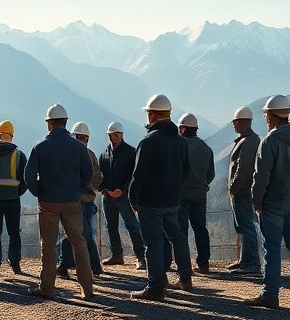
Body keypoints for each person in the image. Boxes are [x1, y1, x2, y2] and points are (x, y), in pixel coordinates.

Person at [243, 94, 290, 310]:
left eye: (266, 116)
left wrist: (256, 202)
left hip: (272, 203)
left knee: (273, 249)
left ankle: (270, 295)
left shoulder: (270, 141)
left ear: (271, 117)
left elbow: (261, 177)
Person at [24, 104, 95, 300]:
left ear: (49, 124)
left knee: (48, 244)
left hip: (47, 201)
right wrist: (75, 188)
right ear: (66, 122)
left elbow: (29, 176)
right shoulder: (78, 148)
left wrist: (40, 191)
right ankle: (87, 289)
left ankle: (47, 287)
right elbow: (88, 175)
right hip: (72, 200)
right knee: (78, 241)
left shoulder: (40, 147)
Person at [128, 94, 191, 300]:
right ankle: (185, 279)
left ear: (152, 114)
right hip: (173, 200)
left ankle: (155, 287)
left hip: (151, 201)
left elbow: (138, 174)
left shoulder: (148, 142)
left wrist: (133, 198)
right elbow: (186, 171)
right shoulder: (180, 142)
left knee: (153, 242)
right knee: (177, 237)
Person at [58, 122, 103, 278]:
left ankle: (71, 265)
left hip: (79, 200)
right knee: (76, 234)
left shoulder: (74, 154)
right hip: (79, 200)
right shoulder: (87, 154)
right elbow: (97, 178)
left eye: (84, 137)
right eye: (81, 137)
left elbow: (97, 178)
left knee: (78, 234)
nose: (83, 139)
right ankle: (88, 266)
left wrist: (85, 186)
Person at [99, 122, 146, 269]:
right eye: (113, 135)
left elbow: (134, 175)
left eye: (117, 134)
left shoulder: (131, 153)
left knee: (132, 225)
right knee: (111, 227)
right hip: (108, 197)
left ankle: (140, 257)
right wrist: (104, 190)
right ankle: (117, 255)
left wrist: (123, 190)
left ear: (121, 135)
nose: (115, 137)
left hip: (124, 196)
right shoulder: (104, 155)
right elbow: (100, 176)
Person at [0, 120, 27, 276]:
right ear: (12, 135)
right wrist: (17, 193)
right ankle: (15, 264)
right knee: (14, 232)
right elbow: (26, 179)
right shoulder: (19, 155)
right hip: (13, 200)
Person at [178, 113, 215, 274]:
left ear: (183, 128)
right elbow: (211, 174)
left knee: (181, 231)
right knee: (201, 229)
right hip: (200, 194)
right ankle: (203, 263)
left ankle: (184, 266)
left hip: (181, 194)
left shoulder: (179, 146)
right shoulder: (205, 148)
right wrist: (202, 184)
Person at [225, 106, 262, 272]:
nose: (233, 125)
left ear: (243, 122)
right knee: (243, 225)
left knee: (246, 225)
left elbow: (243, 168)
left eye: (235, 122)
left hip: (243, 191)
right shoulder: (250, 140)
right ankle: (244, 259)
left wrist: (233, 187)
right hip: (244, 190)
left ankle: (251, 262)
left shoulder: (248, 142)